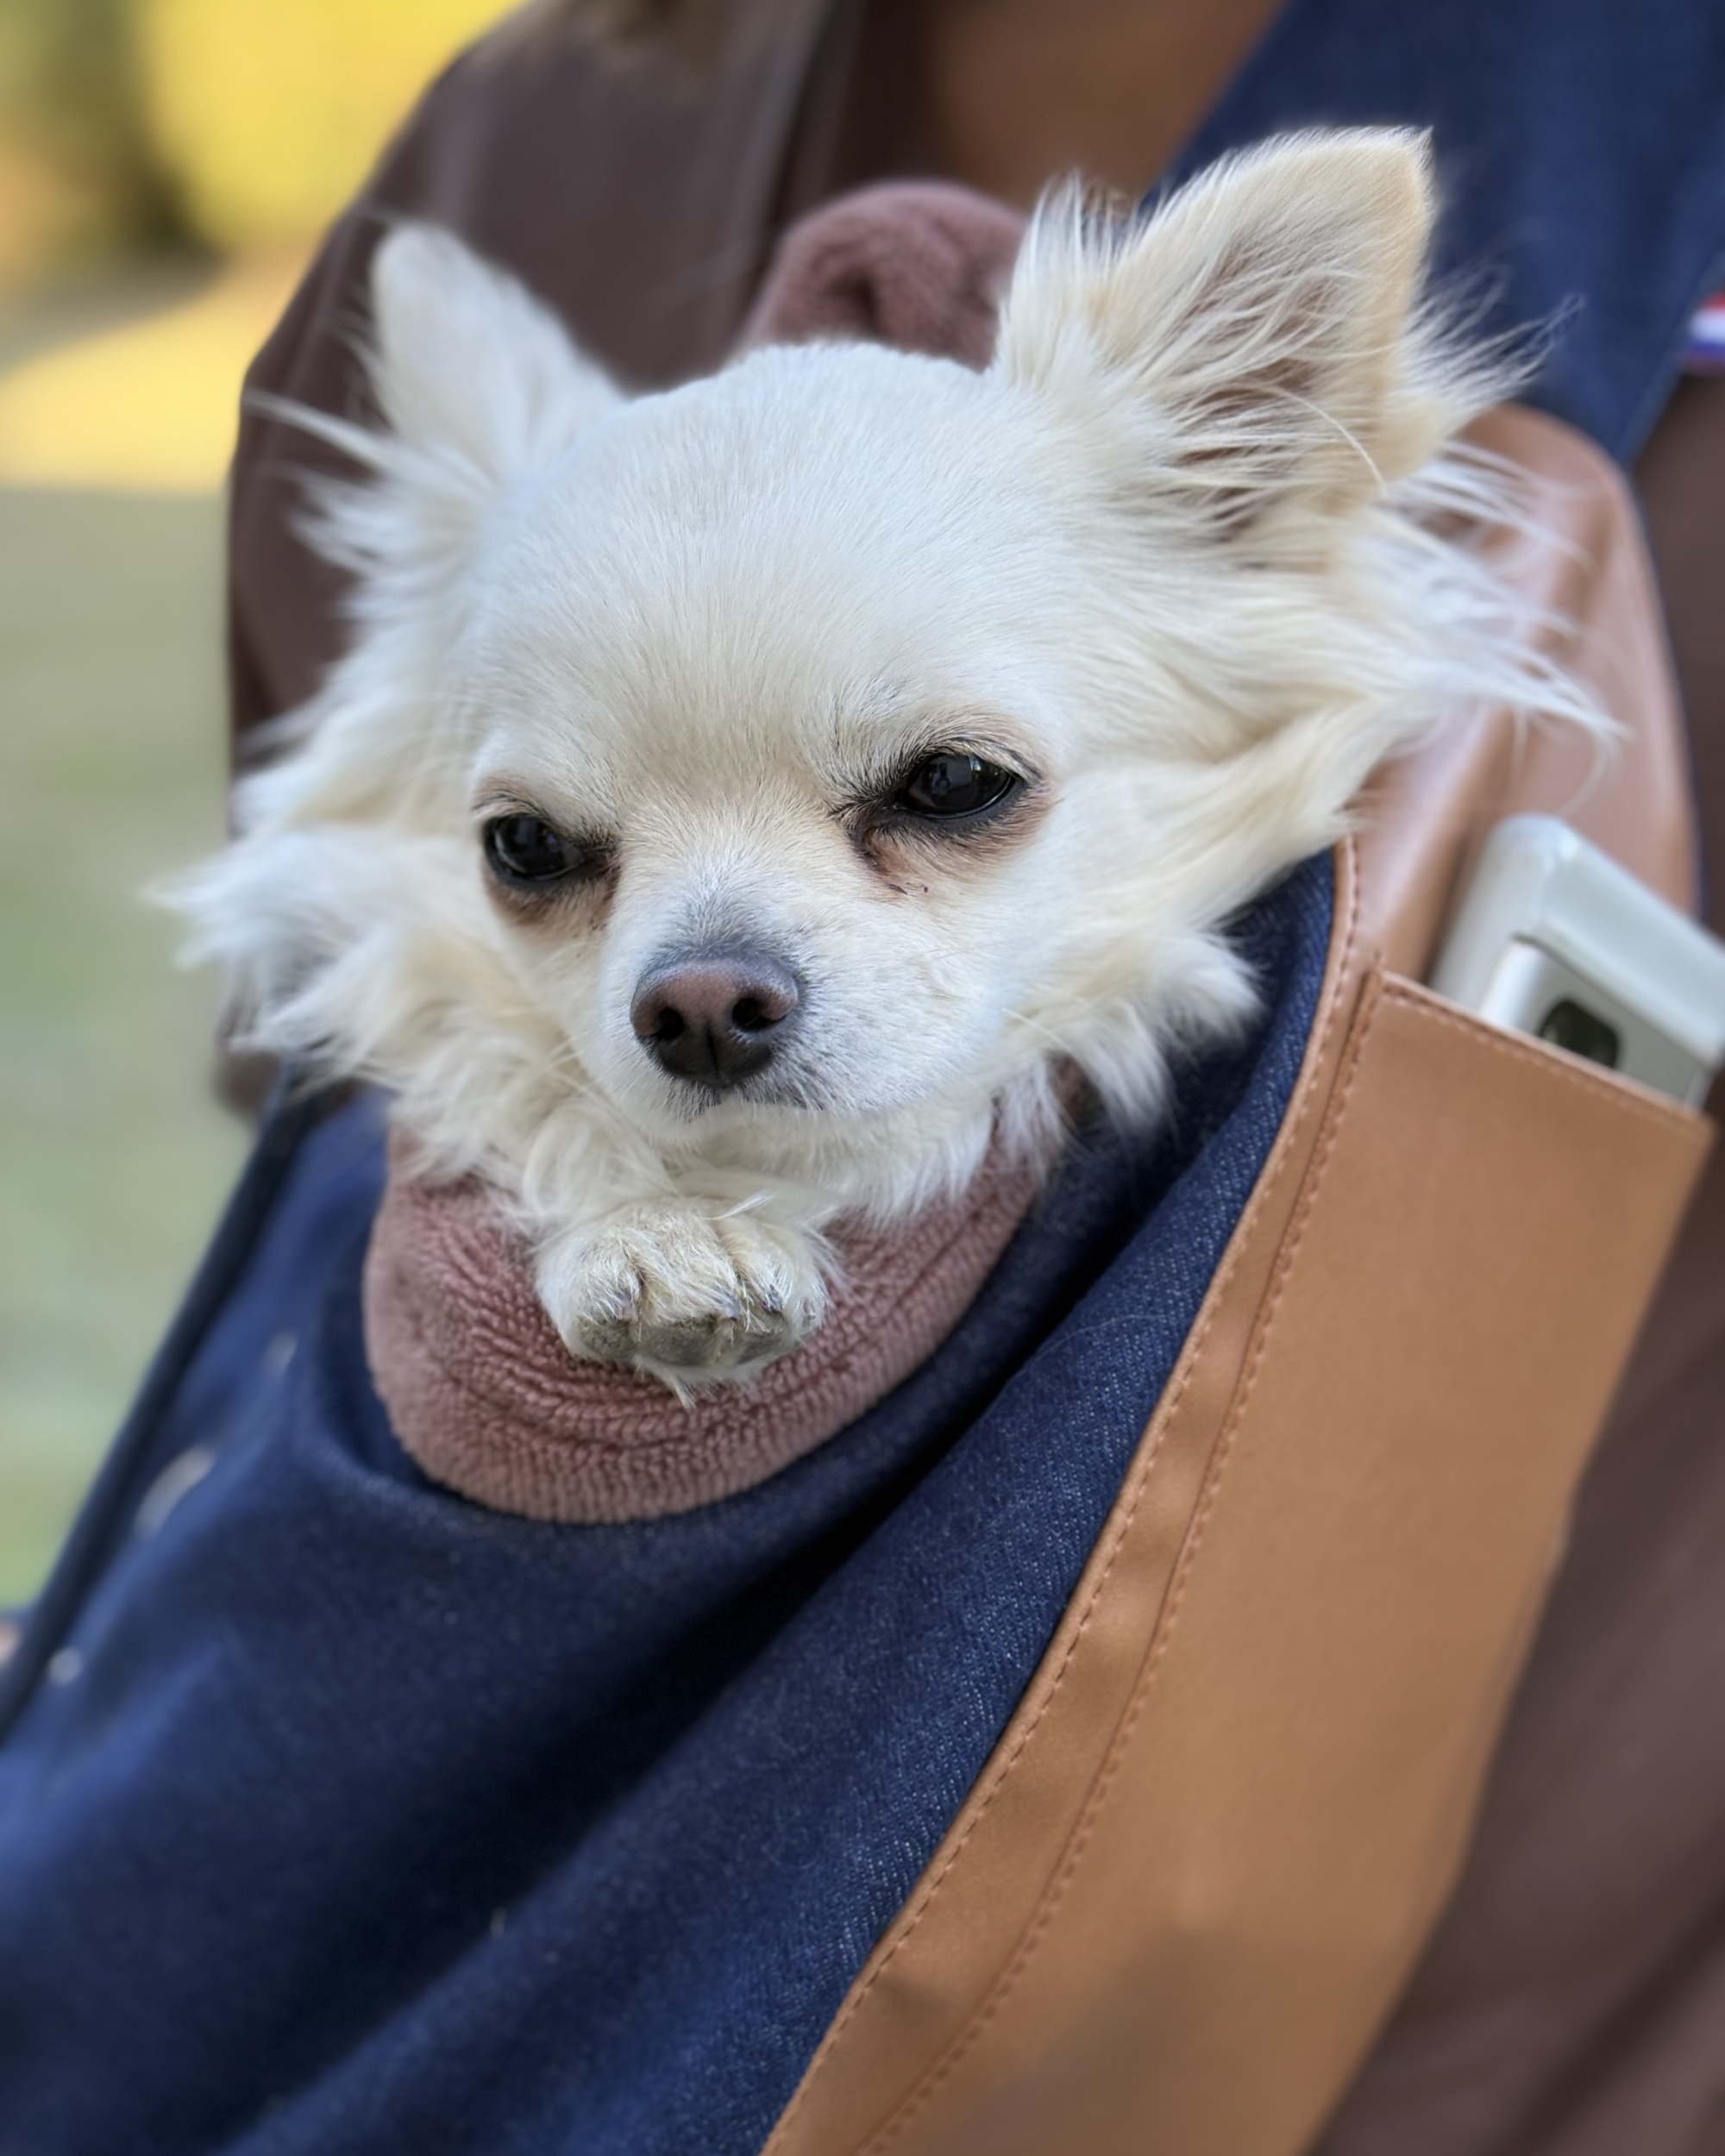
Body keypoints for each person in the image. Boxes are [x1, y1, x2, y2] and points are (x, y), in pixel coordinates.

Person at [8, 2, 1725, 2150]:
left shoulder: (523, 150)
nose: (702, 982)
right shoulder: (516, 159)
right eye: (554, 854)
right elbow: (325, 1082)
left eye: (941, 788)